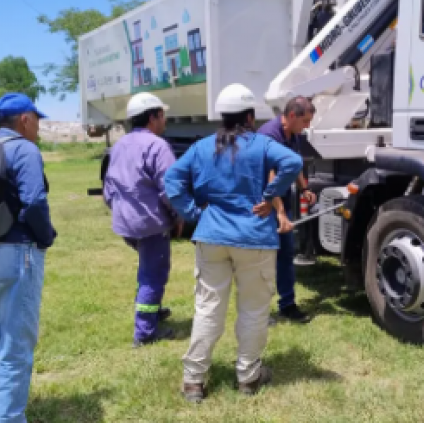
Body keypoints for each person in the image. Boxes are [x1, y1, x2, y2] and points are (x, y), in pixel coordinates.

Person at [164, 83, 303, 403]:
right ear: (251, 116)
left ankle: (193, 381)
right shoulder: (262, 145)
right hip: (254, 238)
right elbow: (293, 164)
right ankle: (248, 376)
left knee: (208, 309)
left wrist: (193, 213)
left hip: (211, 237)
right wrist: (270, 196)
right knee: (253, 310)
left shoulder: (201, 147)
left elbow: (172, 179)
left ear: (222, 117)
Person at [0, 93, 56, 423]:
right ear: (24, 119)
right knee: (16, 345)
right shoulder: (24, 149)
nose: (38, 127)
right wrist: (45, 237)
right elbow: (34, 202)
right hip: (16, 253)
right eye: (37, 120)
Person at [103, 92, 180, 346]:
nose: (165, 120)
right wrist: (178, 215)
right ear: (153, 117)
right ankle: (145, 332)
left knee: (147, 268)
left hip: (125, 222)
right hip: (149, 224)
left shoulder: (120, 145)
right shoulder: (157, 146)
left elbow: (108, 185)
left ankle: (152, 309)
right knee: (153, 273)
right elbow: (171, 188)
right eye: (162, 114)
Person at [256, 96, 317, 324]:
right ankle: (260, 311)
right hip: (264, 204)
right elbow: (270, 178)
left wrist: (304, 189)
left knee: (285, 253)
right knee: (263, 258)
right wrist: (280, 213)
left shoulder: (294, 135)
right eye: (305, 121)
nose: (308, 126)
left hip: (281, 200)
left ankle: (288, 305)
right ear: (292, 116)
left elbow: (295, 163)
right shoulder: (269, 135)